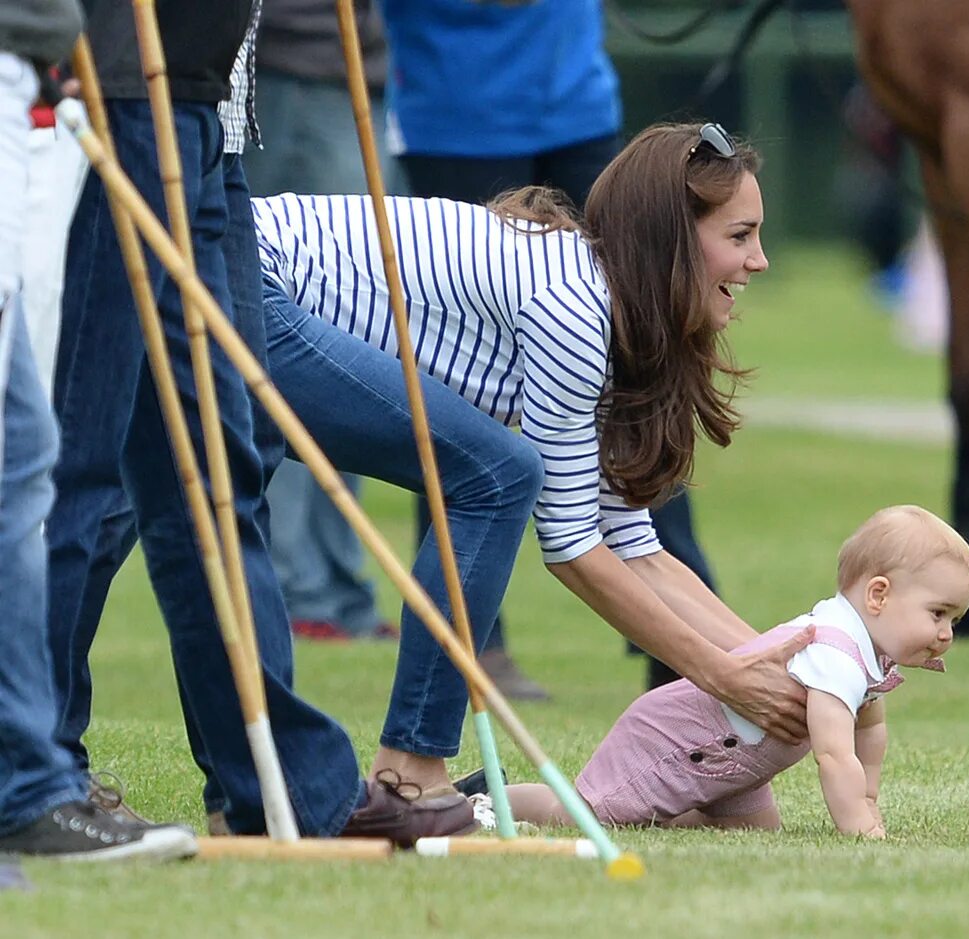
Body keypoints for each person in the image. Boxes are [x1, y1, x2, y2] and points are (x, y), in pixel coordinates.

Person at [249, 121, 812, 797]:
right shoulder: (577, 310)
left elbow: (633, 543)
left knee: (121, 504)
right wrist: (724, 677)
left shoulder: (604, 307)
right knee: (497, 475)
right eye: (739, 236)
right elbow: (573, 548)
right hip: (247, 278)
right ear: (672, 240)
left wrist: (784, 661)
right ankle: (409, 772)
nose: (760, 260)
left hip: (234, 267)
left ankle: (392, 772)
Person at [46, 1, 473, 843]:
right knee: (81, 455)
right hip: (123, 91)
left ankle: (279, 784)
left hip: (211, 113)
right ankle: (33, 768)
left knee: (217, 467)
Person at [382, 0, 724, 696]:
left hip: (578, 103)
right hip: (458, 111)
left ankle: (679, 630)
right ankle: (476, 643)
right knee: (453, 388)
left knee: (643, 360)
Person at [0, 0, 195, 862]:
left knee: (32, 455)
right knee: (32, 457)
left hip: (42, 85)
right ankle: (30, 781)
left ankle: (31, 781)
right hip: (40, 94)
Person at [503, 505, 969, 835]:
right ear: (878, 595)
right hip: (678, 740)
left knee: (750, 829)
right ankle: (495, 800)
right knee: (587, 815)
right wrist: (858, 820)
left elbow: (869, 732)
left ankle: (661, 815)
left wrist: (870, 795)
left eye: (953, 620)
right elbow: (834, 753)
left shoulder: (869, 653)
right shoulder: (835, 652)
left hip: (736, 766)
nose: (946, 634)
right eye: (937, 614)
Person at [243, 0, 400, 643]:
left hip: (349, 69)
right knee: (294, 328)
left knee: (352, 327)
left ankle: (335, 585)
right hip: (290, 70)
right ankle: (298, 587)